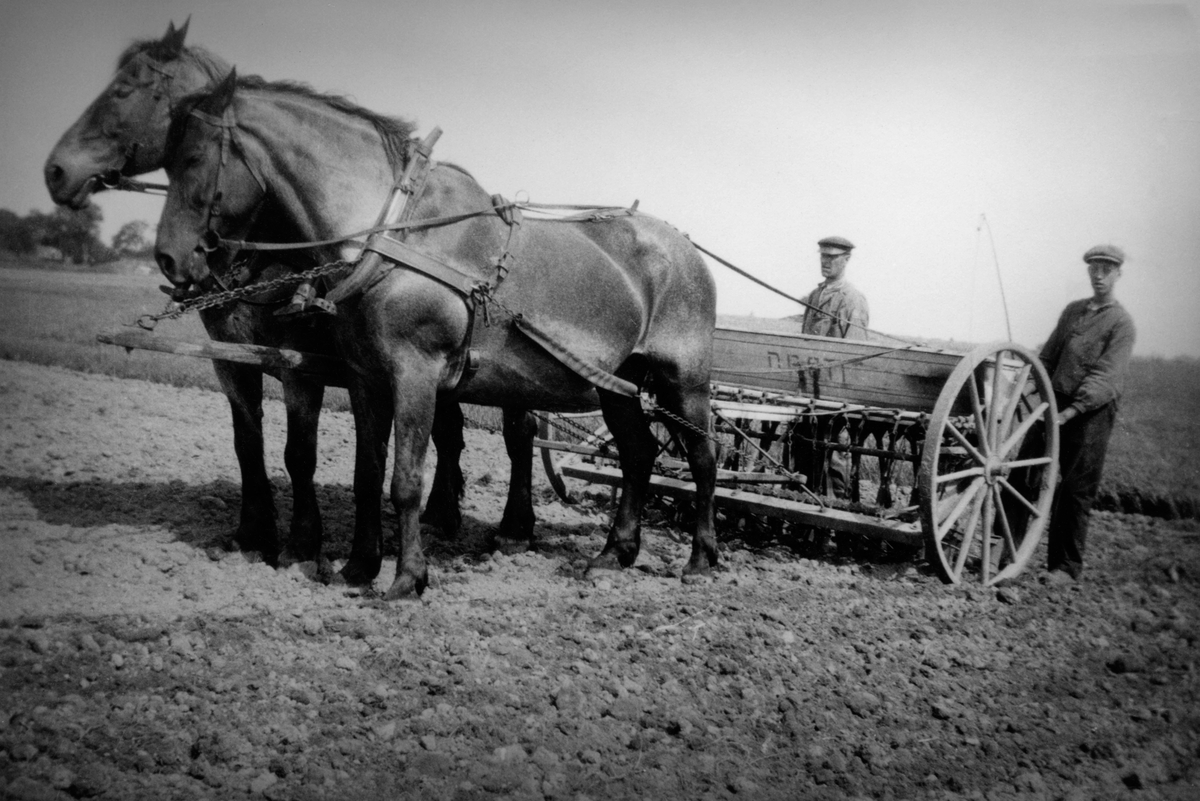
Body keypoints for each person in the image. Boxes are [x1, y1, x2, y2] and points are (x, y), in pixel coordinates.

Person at [1038, 244, 1136, 582]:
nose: (1098, 275)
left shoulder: (1121, 323)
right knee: (1023, 473)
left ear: (1118, 274)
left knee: (1076, 489)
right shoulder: (1073, 311)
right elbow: (1048, 356)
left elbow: (1106, 377)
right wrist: (1031, 391)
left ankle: (1065, 567)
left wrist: (1070, 412)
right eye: (1094, 268)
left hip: (1092, 412)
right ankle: (1006, 552)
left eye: (1106, 269)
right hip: (1055, 402)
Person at [790, 237, 870, 555]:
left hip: (834, 396)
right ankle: (807, 524)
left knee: (832, 459)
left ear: (846, 260)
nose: (826, 262)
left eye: (833, 258)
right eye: (823, 256)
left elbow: (854, 353)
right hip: (810, 393)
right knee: (804, 454)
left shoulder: (852, 300)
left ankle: (839, 527)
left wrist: (837, 395)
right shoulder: (814, 295)